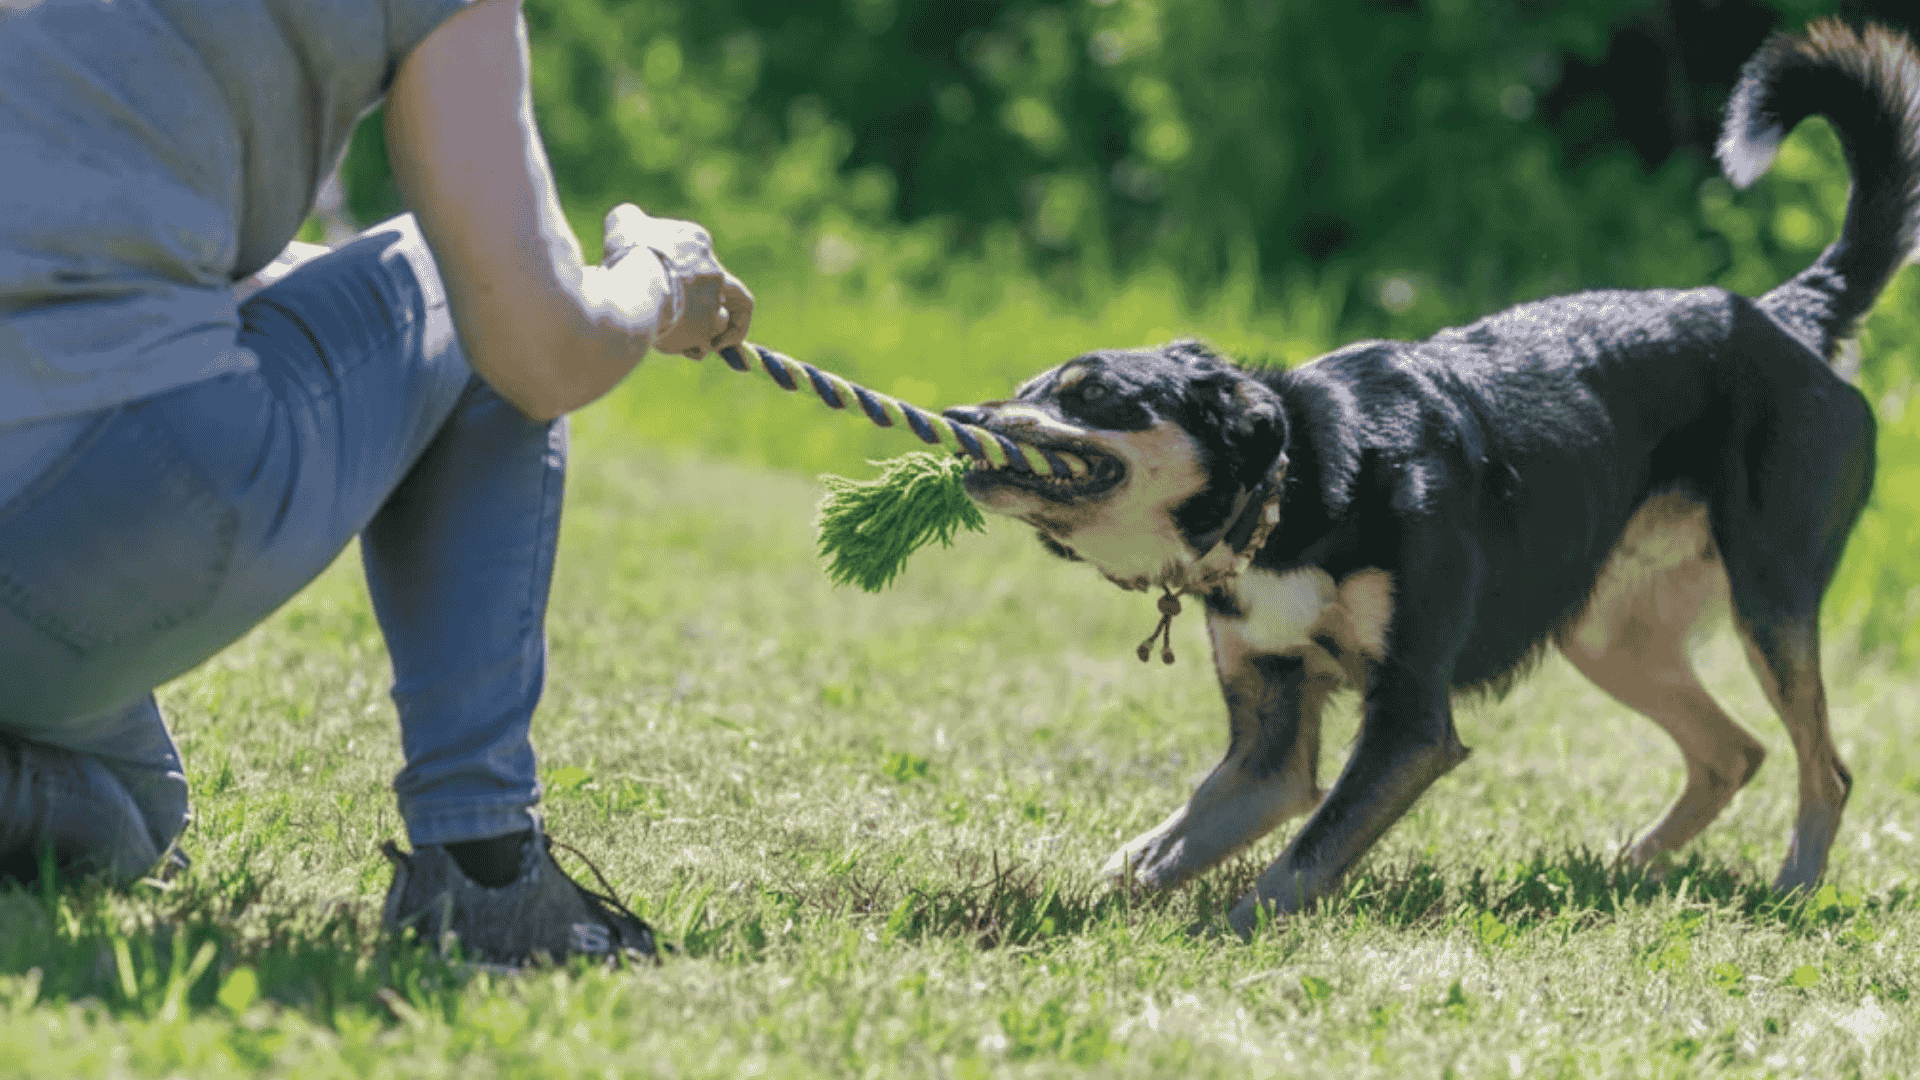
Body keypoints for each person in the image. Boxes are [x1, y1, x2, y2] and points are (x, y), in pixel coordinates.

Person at [0, 0, 752, 964]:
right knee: (468, 275)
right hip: (87, 511)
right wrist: (656, 280)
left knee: (135, 814)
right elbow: (533, 343)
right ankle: (484, 868)